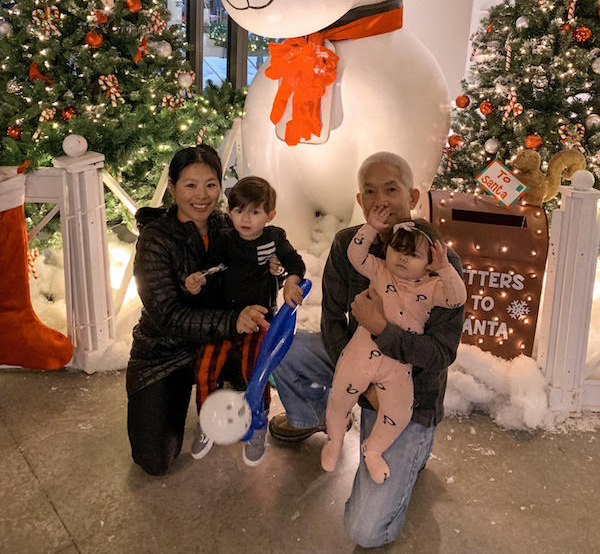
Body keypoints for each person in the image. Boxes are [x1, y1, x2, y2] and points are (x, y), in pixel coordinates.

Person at [269, 151, 464, 548]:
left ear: (411, 194)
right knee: (283, 350)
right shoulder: (350, 245)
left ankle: (414, 448)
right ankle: (314, 417)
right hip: (357, 360)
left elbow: (440, 355)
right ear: (359, 201)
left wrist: (380, 331)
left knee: (366, 531)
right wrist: (354, 377)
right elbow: (331, 321)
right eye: (370, 191)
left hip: (408, 386)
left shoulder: (442, 263)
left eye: (391, 189)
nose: (381, 199)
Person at [126, 145, 270, 477]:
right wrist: (233, 320)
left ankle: (233, 397)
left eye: (210, 184)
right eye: (190, 185)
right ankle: (176, 394)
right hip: (165, 352)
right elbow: (167, 316)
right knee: (154, 460)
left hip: (218, 344)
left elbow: (252, 268)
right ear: (173, 187)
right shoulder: (156, 240)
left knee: (259, 357)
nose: (201, 195)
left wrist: (275, 267)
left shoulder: (227, 225)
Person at [321, 207, 466, 483]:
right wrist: (371, 229)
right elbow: (355, 255)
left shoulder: (432, 288)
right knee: (339, 397)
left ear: (428, 263)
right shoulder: (379, 269)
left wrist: (444, 269)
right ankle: (335, 439)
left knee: (399, 412)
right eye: (397, 250)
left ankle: (373, 451)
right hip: (361, 353)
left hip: (398, 365)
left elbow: (456, 298)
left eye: (413, 255)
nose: (402, 258)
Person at [184, 175, 305, 466]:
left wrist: (290, 281)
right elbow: (213, 266)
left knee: (256, 373)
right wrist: (197, 278)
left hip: (261, 319)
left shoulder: (274, 238)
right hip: (226, 318)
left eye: (254, 211)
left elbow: (295, 262)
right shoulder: (225, 239)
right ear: (229, 213)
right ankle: (207, 419)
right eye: (239, 210)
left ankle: (257, 423)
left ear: (269, 215)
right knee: (204, 370)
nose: (246, 219)